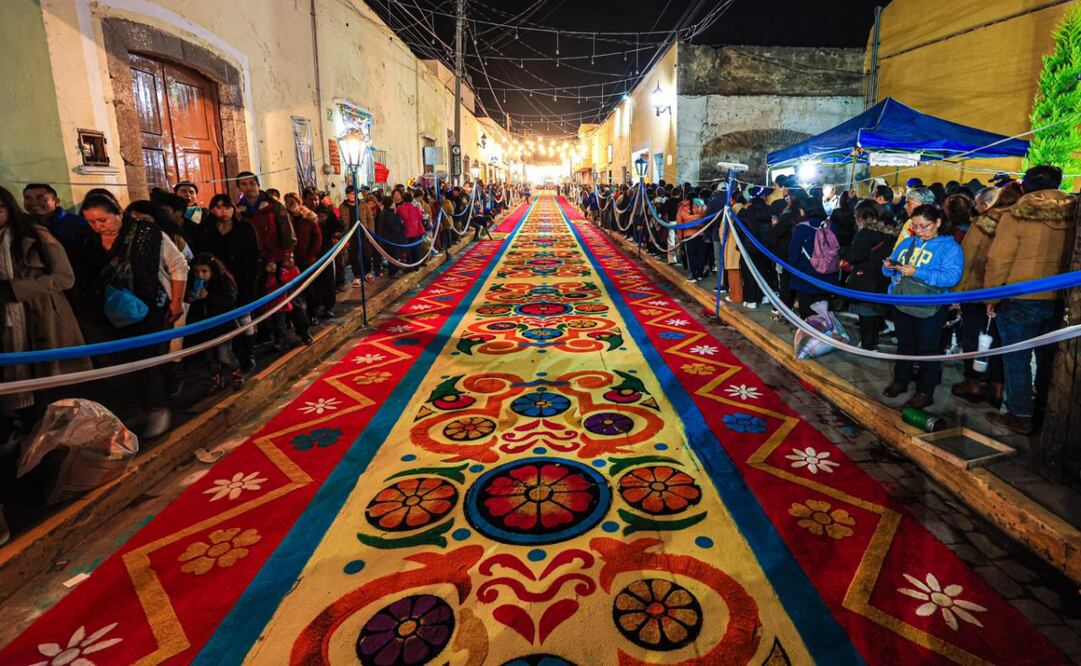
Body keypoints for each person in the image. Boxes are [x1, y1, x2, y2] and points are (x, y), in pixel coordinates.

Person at [72, 195, 188, 437]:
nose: (98, 226)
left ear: (119, 214)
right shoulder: (86, 238)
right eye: (91, 221)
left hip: (144, 308)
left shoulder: (146, 233)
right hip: (104, 310)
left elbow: (178, 264)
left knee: (145, 359)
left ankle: (157, 407)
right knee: (119, 362)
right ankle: (136, 408)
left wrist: (176, 301)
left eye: (102, 219)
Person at [983, 165, 1078, 433]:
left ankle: (1020, 414)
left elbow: (999, 259)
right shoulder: (1074, 213)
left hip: (1020, 296)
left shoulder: (1018, 214)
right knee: (1051, 358)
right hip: (1063, 298)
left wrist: (991, 294)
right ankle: (1046, 412)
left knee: (1016, 357)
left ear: (1025, 186)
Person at [0, 186, 90, 425]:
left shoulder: (35, 235)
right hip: (4, 323)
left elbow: (64, 277)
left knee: (47, 391)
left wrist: (15, 289)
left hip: (42, 317)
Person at [881, 204, 964, 409]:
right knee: (904, 344)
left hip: (931, 307)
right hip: (903, 303)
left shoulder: (950, 247)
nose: (919, 231)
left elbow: (951, 278)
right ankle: (901, 380)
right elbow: (891, 273)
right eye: (915, 227)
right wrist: (889, 268)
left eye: (924, 226)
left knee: (929, 350)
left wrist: (917, 272)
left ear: (938, 223)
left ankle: (925, 391)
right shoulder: (908, 243)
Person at [951, 184, 1020, 407]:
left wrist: (957, 291)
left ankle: (973, 382)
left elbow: (968, 256)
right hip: (1011, 290)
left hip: (979, 288)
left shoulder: (985, 222)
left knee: (974, 337)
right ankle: (997, 387)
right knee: (999, 340)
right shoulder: (1023, 221)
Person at [191, 193, 262, 373]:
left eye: (226, 207)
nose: (222, 211)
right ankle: (226, 360)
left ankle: (248, 354)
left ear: (233, 209)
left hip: (242, 280)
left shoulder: (245, 228)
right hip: (216, 283)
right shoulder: (205, 230)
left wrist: (252, 279)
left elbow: (254, 255)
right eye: (218, 207)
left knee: (244, 318)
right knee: (222, 321)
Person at [185, 253, 244, 391]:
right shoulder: (193, 284)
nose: (200, 275)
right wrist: (190, 300)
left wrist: (208, 297)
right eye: (196, 271)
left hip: (222, 326)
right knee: (209, 357)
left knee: (224, 355)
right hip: (205, 328)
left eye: (204, 271)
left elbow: (229, 303)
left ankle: (236, 373)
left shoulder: (222, 282)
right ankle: (216, 379)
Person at [842, 200, 895, 349]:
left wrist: (843, 251)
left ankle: (868, 346)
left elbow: (854, 256)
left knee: (865, 314)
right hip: (882, 276)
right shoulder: (889, 232)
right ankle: (873, 342)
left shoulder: (865, 233)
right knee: (875, 311)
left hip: (865, 278)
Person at [786, 191, 838, 319]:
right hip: (827, 276)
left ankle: (811, 337)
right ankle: (826, 335)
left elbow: (793, 255)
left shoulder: (801, 228)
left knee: (808, 314)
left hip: (806, 277)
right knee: (825, 313)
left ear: (804, 210)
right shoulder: (830, 226)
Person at [236, 171, 295, 263]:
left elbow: (286, 230)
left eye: (252, 183)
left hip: (276, 258)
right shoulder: (237, 211)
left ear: (258, 185)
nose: (248, 187)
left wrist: (288, 254)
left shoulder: (274, 205)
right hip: (252, 259)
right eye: (244, 184)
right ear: (239, 188)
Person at [22, 183, 86, 261]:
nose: (34, 203)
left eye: (41, 198)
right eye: (28, 198)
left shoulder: (78, 224)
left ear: (56, 202)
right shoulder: (23, 224)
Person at [375, 196, 405, 277]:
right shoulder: (388, 213)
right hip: (390, 239)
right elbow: (391, 226)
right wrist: (400, 228)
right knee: (393, 256)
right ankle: (393, 272)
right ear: (391, 204)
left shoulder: (385, 212)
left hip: (389, 239)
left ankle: (394, 271)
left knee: (393, 256)